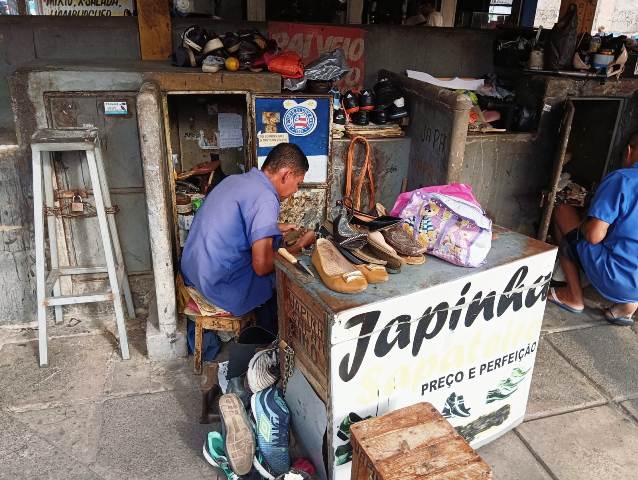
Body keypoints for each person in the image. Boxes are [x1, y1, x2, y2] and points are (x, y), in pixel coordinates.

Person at [180, 143, 316, 333]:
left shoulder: (235, 180)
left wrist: (274, 228)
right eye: (298, 183)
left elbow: (234, 223)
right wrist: (298, 247)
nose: (295, 191)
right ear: (286, 174)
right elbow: (261, 267)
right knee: (281, 278)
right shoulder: (265, 198)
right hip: (215, 283)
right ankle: (268, 336)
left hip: (192, 269)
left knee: (273, 247)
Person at [550, 131, 638, 325]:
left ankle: (574, 296)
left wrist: (585, 221)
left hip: (615, 277)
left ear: (629, 151)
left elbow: (593, 236)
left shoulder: (623, 179)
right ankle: (627, 306)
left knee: (562, 211)